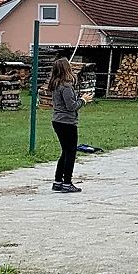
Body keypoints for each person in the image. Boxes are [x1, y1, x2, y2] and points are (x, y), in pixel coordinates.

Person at [47, 57, 92, 193]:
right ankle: (67, 182)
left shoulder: (55, 85)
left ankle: (58, 181)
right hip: (67, 122)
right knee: (70, 152)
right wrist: (83, 100)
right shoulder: (66, 87)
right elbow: (71, 106)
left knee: (65, 151)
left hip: (57, 121)